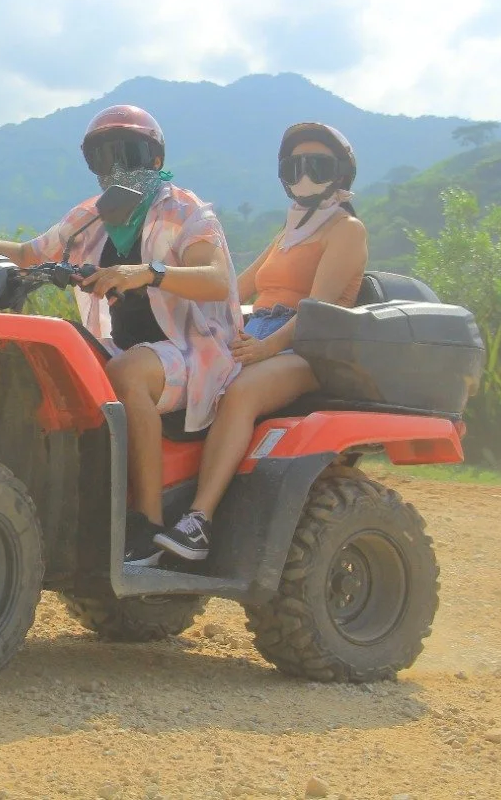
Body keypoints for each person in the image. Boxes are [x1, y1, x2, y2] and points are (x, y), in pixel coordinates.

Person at [0, 105, 242, 566]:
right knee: (44, 359)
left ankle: (146, 524)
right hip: (123, 343)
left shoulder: (185, 210)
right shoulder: (92, 216)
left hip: (194, 348)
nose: (115, 167)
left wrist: (147, 273)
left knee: (126, 373)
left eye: (126, 152)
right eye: (103, 157)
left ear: (153, 158)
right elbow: (30, 254)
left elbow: (215, 279)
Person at [152, 122, 368, 563]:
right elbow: (237, 288)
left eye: (318, 165)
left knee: (240, 392)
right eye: (296, 165)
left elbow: (317, 308)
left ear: (341, 173)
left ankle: (199, 520)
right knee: (186, 370)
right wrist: (166, 287)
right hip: (261, 333)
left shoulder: (346, 230)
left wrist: (267, 349)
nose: (305, 174)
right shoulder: (289, 233)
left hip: (308, 347)